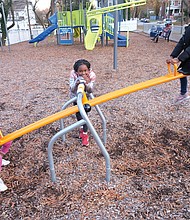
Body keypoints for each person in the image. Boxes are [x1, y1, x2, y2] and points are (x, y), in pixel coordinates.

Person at [69, 59, 96, 146]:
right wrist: (76, 83)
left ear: (89, 70)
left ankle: (85, 133)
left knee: (84, 116)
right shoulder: (73, 74)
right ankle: (82, 128)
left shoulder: (91, 75)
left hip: (85, 98)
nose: (83, 73)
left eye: (85, 70)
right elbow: (72, 89)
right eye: (80, 71)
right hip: (76, 97)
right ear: (76, 71)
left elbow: (91, 90)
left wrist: (87, 83)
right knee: (78, 114)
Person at [166, 19, 190, 103]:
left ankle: (184, 93)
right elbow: (181, 43)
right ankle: (183, 93)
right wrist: (172, 56)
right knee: (181, 72)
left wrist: (179, 59)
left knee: (183, 71)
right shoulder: (188, 29)